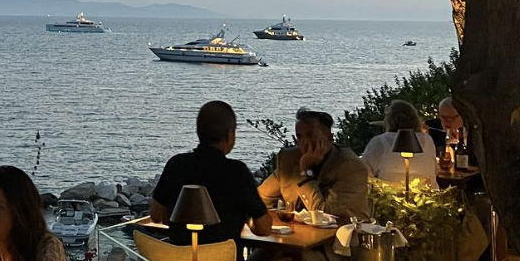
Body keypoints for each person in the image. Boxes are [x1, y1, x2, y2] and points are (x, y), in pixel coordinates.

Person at [150, 100, 272, 246]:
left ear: (198, 132)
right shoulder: (237, 172)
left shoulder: (176, 164)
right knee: (283, 257)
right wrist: (245, 217)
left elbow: (156, 216)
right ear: (229, 134)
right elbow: (264, 229)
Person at [259, 109, 370, 222]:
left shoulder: (351, 166)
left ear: (329, 138)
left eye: (310, 135)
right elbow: (260, 198)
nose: (305, 142)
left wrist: (305, 172)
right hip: (298, 234)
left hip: (343, 234)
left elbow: (323, 215)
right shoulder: (289, 159)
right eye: (300, 137)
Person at [360, 99, 440, 184]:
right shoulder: (427, 139)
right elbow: (435, 170)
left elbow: (363, 173)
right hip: (429, 195)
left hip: (391, 195)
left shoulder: (379, 142)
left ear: (389, 121)